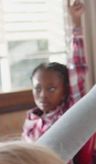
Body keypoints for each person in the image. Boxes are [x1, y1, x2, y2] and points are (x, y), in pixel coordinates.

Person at [22, 1, 88, 143]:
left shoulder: (68, 114)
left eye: (51, 89)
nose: (43, 95)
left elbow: (77, 67)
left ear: (65, 90)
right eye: (38, 89)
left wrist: (76, 22)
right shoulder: (31, 117)